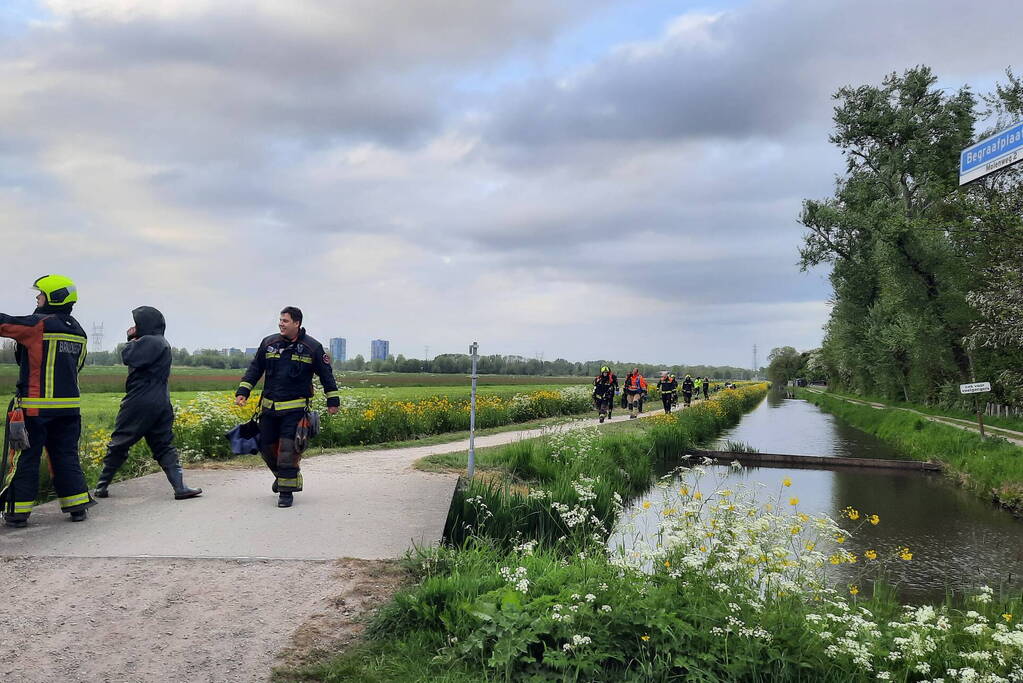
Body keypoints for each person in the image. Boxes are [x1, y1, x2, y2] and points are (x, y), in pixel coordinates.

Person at [0, 275, 95, 528]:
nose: (37, 298)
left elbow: (4, 324)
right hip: (69, 410)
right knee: (65, 456)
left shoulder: (38, 325)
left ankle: (17, 513)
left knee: (25, 457)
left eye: (40, 294)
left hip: (35, 409)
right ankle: (77, 506)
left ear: (53, 297)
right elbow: (79, 367)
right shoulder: (80, 333)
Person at [235, 307, 340, 508]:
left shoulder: (312, 348)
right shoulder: (269, 343)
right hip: (268, 409)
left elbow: (327, 376)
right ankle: (286, 476)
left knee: (287, 452)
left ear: (297, 323)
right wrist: (243, 391)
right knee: (266, 448)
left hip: (295, 411)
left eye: (285, 321)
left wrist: (332, 401)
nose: (281, 324)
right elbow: (255, 369)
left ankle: (286, 493)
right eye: (280, 320)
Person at [93, 307, 201, 501]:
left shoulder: (149, 341)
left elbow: (128, 356)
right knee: (163, 444)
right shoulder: (161, 342)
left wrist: (129, 339)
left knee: (120, 442)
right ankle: (180, 487)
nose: (134, 326)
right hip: (161, 399)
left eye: (137, 323)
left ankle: (101, 486)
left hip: (140, 399)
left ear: (145, 324)